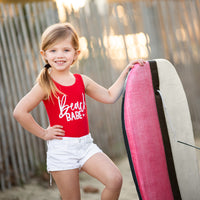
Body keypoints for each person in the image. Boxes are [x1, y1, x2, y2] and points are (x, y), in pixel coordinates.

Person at [13, 22, 145, 200]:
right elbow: (20, 112)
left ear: (76, 54)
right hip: (62, 150)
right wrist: (44, 133)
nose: (59, 55)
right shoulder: (45, 85)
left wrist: (126, 71)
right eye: (53, 50)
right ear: (44, 54)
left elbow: (109, 96)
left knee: (114, 180)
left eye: (66, 50)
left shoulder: (81, 81)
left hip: (85, 145)